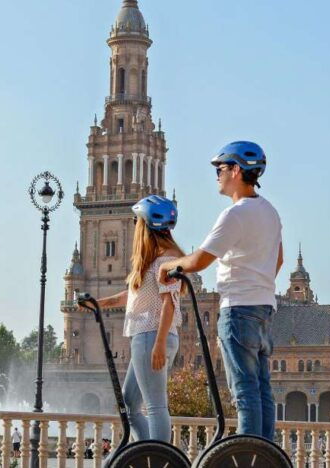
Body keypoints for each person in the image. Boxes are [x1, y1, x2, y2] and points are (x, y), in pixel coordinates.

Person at [158, 141, 282, 440]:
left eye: (221, 168)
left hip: (237, 309)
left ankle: (249, 452)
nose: (217, 174)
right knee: (262, 388)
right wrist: (258, 282)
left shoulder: (235, 215)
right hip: (263, 308)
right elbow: (278, 259)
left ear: (237, 170)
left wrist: (169, 266)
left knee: (243, 391)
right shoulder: (271, 212)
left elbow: (200, 260)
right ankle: (265, 452)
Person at [95, 195, 184, 442]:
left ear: (146, 224)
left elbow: (169, 302)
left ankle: (159, 458)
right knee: (129, 404)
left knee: (155, 406)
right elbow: (136, 294)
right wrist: (100, 303)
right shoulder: (157, 258)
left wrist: (159, 343)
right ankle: (146, 452)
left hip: (151, 336)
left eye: (136, 221)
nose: (134, 226)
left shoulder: (166, 258)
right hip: (148, 336)